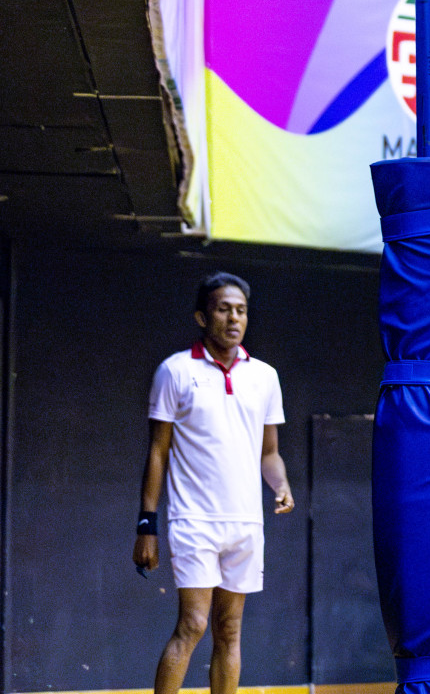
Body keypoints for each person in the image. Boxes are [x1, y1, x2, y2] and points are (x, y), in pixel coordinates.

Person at [134, 273, 293, 694]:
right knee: (193, 624)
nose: (234, 318)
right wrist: (146, 525)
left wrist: (280, 484)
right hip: (194, 521)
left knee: (230, 631)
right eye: (224, 309)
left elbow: (269, 453)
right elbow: (157, 452)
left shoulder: (264, 376)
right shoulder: (175, 371)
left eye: (240, 310)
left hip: (245, 523)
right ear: (203, 317)